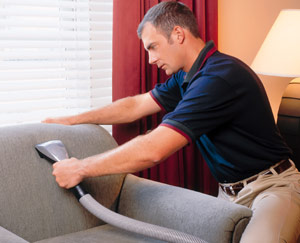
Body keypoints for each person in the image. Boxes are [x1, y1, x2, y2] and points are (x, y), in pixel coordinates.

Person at [43, 1, 300, 242]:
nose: (150, 59)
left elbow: (154, 149)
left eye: (152, 47)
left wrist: (80, 168)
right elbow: (135, 106)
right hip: (228, 193)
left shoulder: (219, 78)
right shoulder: (188, 77)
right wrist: (72, 119)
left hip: (272, 187)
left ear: (178, 34)